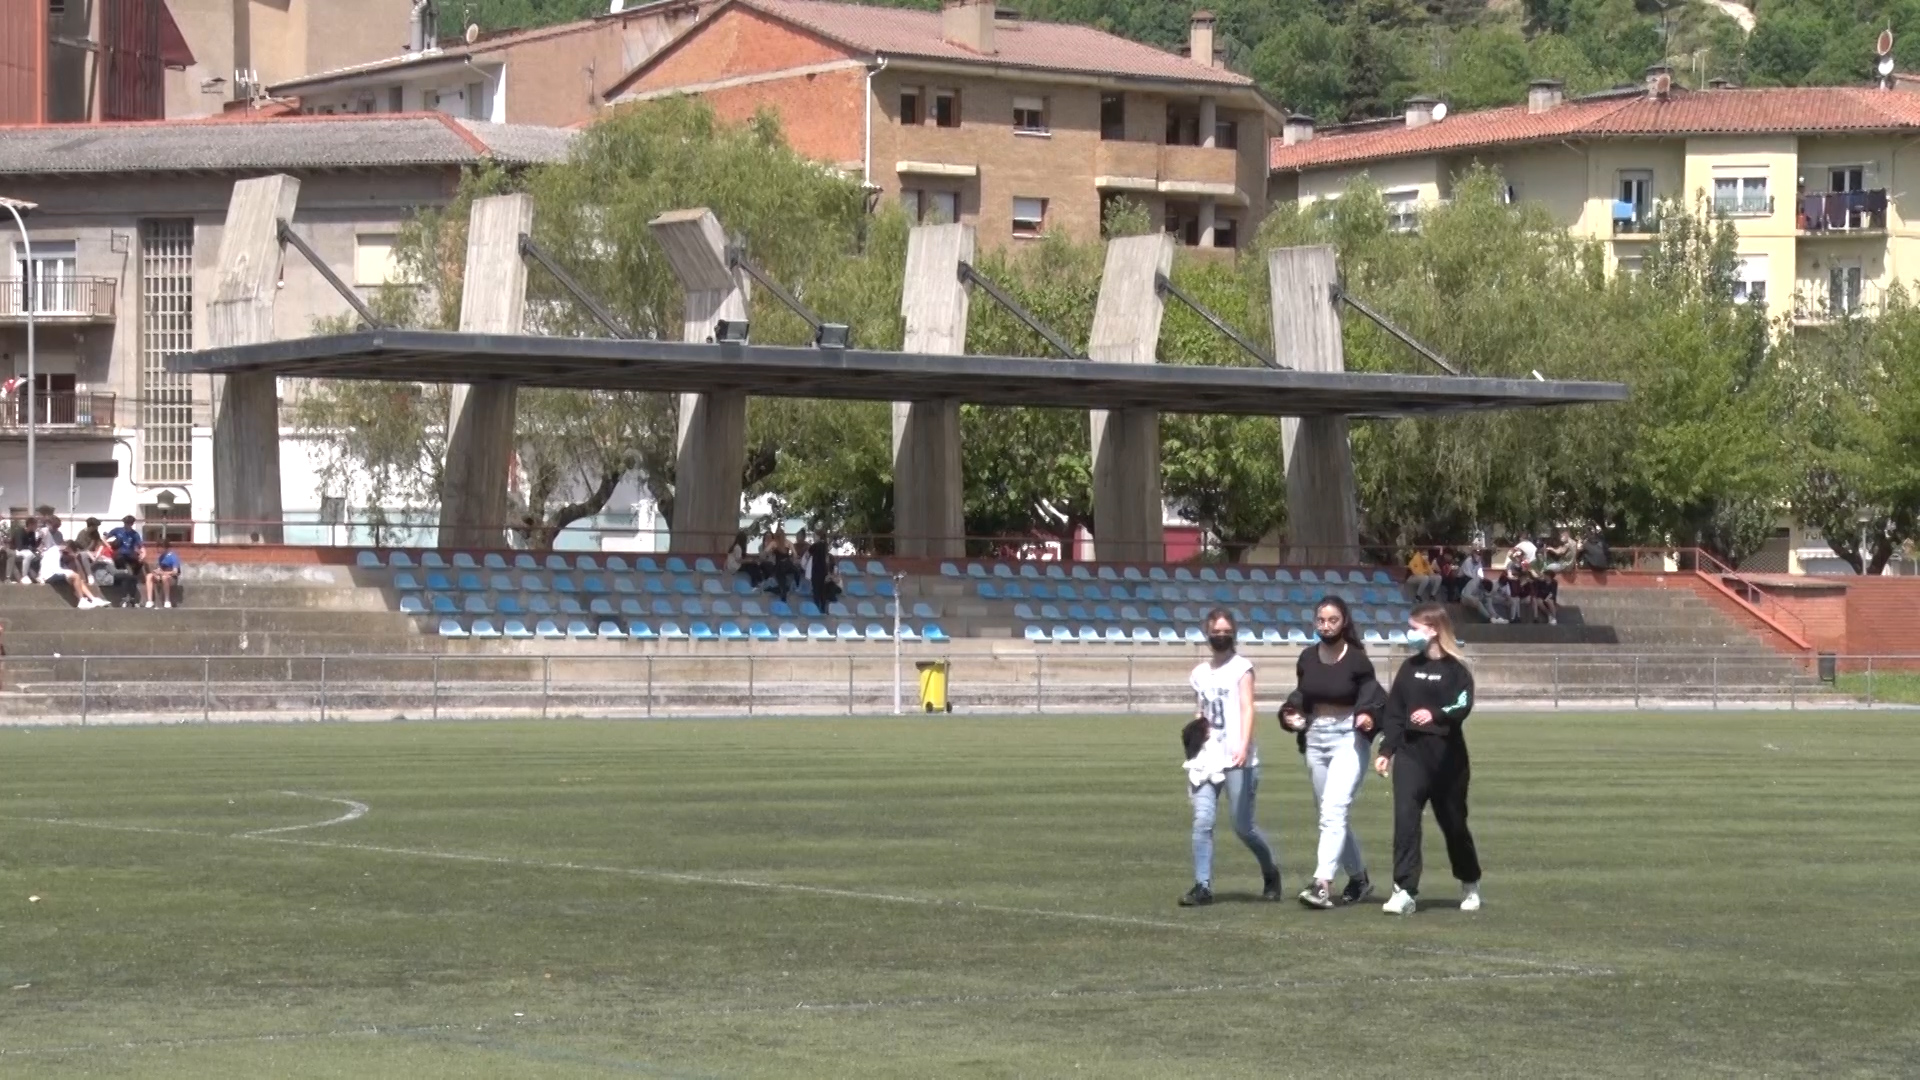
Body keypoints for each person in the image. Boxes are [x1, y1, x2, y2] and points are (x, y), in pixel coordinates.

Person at [1374, 603, 1483, 915]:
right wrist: (1386, 751)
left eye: (1415, 628)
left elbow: (1462, 705)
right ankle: (1404, 890)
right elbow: (1394, 713)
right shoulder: (1409, 669)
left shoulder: (1456, 670)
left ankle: (1470, 881)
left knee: (1454, 824)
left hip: (1448, 759)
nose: (1410, 634)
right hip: (1411, 756)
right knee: (1405, 822)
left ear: (1434, 630)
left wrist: (1435, 713)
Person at [1279, 596, 1385, 909]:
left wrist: (1367, 715)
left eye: (1333, 620)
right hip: (1316, 737)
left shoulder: (1357, 660)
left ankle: (1322, 883)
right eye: (1321, 620)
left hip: (1348, 738)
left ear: (1344, 622)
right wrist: (1291, 713)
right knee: (1329, 813)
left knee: (1333, 810)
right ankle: (1359, 879)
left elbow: (1372, 695)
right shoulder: (1307, 658)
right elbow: (1302, 695)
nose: (1326, 626)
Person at [1179, 609, 1282, 907]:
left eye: (1226, 632)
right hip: (1208, 756)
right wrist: (1195, 742)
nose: (1221, 636)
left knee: (1242, 826)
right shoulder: (1199, 673)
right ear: (1207, 634)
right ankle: (1202, 885)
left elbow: (1247, 707)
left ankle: (1270, 871)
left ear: (1234, 634)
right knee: (1202, 821)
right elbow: (1201, 710)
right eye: (1216, 632)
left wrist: (1244, 745)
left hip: (1237, 757)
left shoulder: (1241, 668)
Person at [45, 541, 109, 609]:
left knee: (78, 579)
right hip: (50, 575)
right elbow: (54, 569)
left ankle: (93, 599)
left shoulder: (59, 552)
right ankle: (81, 600)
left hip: (55, 573)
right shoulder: (54, 551)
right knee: (76, 576)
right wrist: (69, 572)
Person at [144, 541, 181, 609]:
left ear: (164, 548)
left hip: (171, 577)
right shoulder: (161, 557)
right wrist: (157, 572)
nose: (158, 549)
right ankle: (149, 601)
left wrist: (164, 573)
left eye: (160, 548)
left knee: (164, 577)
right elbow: (160, 568)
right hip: (161, 575)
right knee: (149, 576)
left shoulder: (173, 556)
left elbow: (175, 572)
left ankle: (167, 600)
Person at [5, 515, 35, 583]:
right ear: (30, 525)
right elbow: (19, 546)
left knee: (35, 556)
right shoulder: (20, 532)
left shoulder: (32, 533)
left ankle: (34, 576)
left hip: (25, 550)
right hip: (15, 550)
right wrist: (29, 547)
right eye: (35, 525)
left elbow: (33, 545)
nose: (36, 527)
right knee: (28, 555)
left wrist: (40, 539)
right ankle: (24, 575)